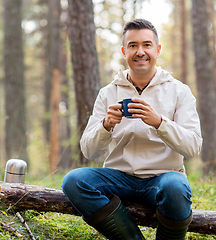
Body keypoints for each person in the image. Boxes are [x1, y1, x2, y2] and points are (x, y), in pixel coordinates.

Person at [62, 19, 202, 240]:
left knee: (176, 186)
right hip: (119, 178)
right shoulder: (108, 92)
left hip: (162, 178)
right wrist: (106, 125)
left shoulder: (179, 91)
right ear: (123, 51)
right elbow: (89, 151)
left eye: (147, 45)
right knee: (74, 181)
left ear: (157, 49)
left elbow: (193, 147)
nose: (140, 52)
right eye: (133, 45)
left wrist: (159, 123)